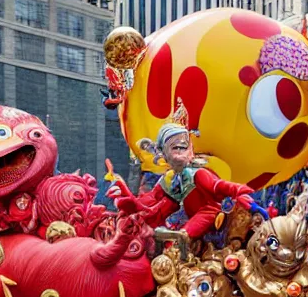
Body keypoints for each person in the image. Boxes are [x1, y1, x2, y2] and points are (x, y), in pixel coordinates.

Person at [109, 100, 264, 242]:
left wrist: (241, 190)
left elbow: (218, 186)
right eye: (173, 147)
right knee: (164, 220)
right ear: (163, 154)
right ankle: (176, 238)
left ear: (190, 150)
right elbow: (154, 203)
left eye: (182, 146)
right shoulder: (170, 179)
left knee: (204, 216)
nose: (179, 151)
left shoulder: (198, 173)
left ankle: (182, 236)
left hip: (215, 216)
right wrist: (128, 198)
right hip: (187, 222)